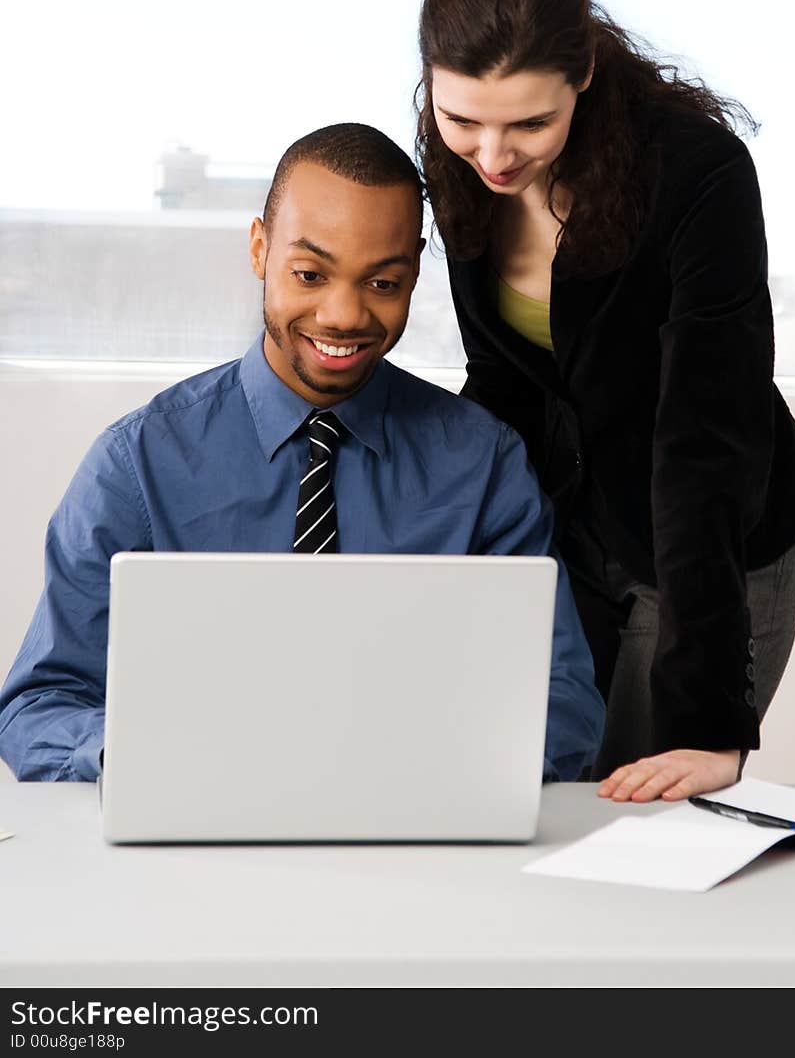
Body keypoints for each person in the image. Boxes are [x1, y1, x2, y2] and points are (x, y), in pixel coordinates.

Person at [0, 123, 604, 785]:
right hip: (194, 839)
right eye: (310, 273)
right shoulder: (137, 463)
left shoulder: (484, 465)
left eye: (383, 282)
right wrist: (141, 753)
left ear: (414, 270)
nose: (344, 315)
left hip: (421, 829)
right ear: (260, 248)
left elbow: (565, 702)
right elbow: (36, 705)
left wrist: (427, 765)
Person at [415, 0, 795, 804]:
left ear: (586, 77)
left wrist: (714, 717)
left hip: (717, 545)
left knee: (633, 810)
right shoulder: (460, 173)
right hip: (579, 528)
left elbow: (704, 442)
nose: (492, 155)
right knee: (530, 789)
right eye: (462, 121)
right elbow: (501, 383)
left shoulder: (697, 174)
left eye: (530, 122)